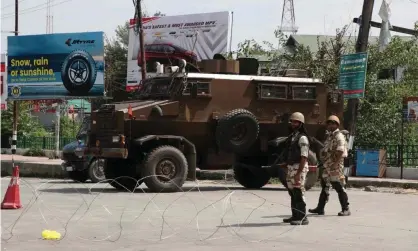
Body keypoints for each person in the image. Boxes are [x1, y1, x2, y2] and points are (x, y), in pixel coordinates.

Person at [308, 115, 351, 216]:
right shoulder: (330, 136)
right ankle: (320, 208)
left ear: (337, 125)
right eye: (329, 123)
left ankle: (346, 208)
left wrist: (334, 164)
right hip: (327, 165)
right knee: (324, 186)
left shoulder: (339, 136)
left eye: (333, 123)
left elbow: (341, 151)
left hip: (335, 166)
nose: (330, 125)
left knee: (338, 186)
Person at [280, 112, 310, 225]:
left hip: (299, 168)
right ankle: (295, 215)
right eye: (292, 121)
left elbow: (304, 157)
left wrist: (298, 173)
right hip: (291, 167)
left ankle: (302, 217)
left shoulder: (302, 138)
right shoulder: (292, 137)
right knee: (292, 192)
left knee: (298, 192)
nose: (293, 123)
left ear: (301, 124)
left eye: (296, 122)